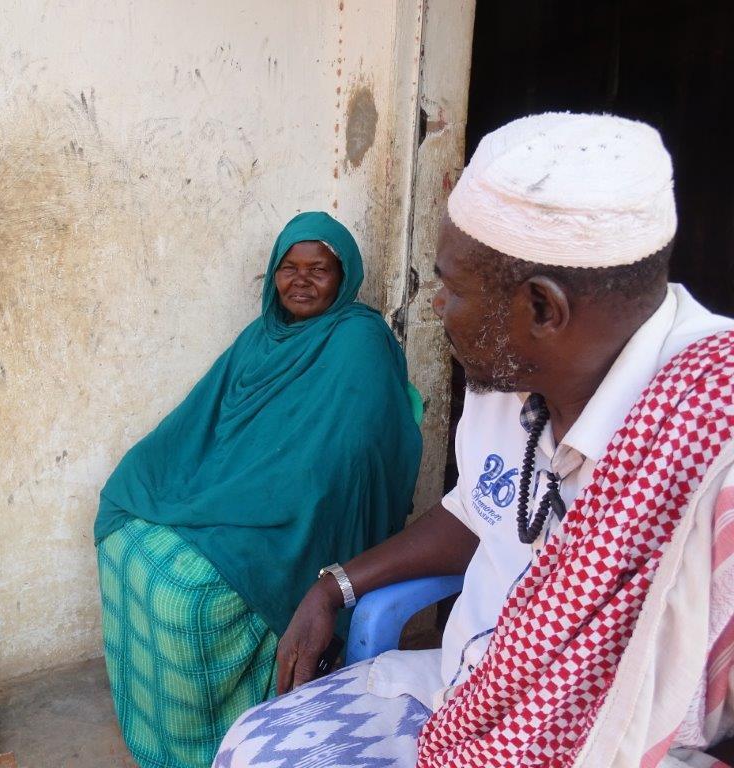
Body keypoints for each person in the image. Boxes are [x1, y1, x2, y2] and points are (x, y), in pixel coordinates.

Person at [215, 113, 734, 768]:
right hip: (460, 691)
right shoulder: (508, 380)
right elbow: (476, 513)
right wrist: (335, 586)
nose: (435, 308)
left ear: (542, 309)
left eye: (451, 288)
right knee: (249, 748)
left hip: (619, 747)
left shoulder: (712, 445)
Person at [94, 211, 423, 768]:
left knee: (187, 598)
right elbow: (202, 422)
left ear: (344, 277)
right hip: (234, 497)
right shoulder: (261, 336)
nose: (301, 281)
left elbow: (347, 454)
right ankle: (162, 736)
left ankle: (218, 744)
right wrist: (181, 481)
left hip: (299, 516)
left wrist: (253, 498)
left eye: (318, 269)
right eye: (288, 269)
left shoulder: (358, 340)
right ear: (272, 275)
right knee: (127, 543)